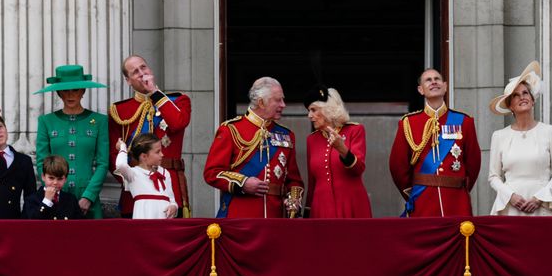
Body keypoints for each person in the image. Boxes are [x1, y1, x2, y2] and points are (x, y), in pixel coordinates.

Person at [204, 76, 304, 218]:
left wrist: (294, 201)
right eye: (278, 100)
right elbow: (212, 173)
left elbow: (294, 181)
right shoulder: (231, 130)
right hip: (241, 216)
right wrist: (243, 183)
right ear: (261, 102)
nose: (283, 105)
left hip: (275, 218)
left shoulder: (287, 135)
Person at [389, 69, 481, 217]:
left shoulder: (464, 121)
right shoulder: (409, 123)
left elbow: (473, 163)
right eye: (428, 80)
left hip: (456, 203)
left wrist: (459, 188)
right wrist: (414, 193)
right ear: (421, 90)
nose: (433, 82)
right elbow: (398, 166)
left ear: (445, 86)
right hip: (423, 201)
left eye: (437, 79)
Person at [108, 55, 191, 218]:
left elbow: (178, 124)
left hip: (168, 186)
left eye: (143, 67)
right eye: (135, 72)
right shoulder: (119, 111)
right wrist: (134, 182)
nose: (141, 73)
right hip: (135, 193)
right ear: (128, 81)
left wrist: (154, 92)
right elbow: (113, 155)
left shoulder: (178, 101)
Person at [488, 61, 552, 215]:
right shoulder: (499, 136)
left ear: (533, 99)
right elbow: (493, 176)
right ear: (510, 106)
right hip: (511, 207)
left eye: (525, 93)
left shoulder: (550, 131)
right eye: (515, 96)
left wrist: (540, 197)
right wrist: (511, 196)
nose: (522, 97)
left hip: (542, 205)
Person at [34, 64, 109, 219]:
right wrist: (54, 193)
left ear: (83, 91)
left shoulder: (99, 121)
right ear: (58, 92)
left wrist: (88, 196)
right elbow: (42, 161)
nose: (70, 95)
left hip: (88, 197)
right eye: (65, 90)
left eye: (75, 90)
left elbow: (103, 163)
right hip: (56, 196)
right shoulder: (46, 121)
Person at [303, 85, 372, 218]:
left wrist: (342, 149)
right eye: (308, 111)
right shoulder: (311, 139)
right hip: (320, 208)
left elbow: (358, 169)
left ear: (327, 109)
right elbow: (312, 182)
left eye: (313, 110)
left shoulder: (354, 131)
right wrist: (307, 210)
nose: (309, 115)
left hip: (351, 204)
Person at [113, 134, 178, 219]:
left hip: (164, 223)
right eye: (157, 152)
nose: (162, 154)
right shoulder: (133, 174)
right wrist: (122, 147)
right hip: (144, 221)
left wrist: (174, 206)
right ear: (144, 156)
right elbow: (121, 165)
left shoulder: (165, 173)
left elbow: (172, 200)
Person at [22, 155, 84, 220]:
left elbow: (80, 224)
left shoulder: (71, 200)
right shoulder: (31, 200)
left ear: (65, 179)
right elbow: (30, 224)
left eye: (60, 179)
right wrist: (46, 201)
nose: (55, 182)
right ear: (43, 177)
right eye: (51, 178)